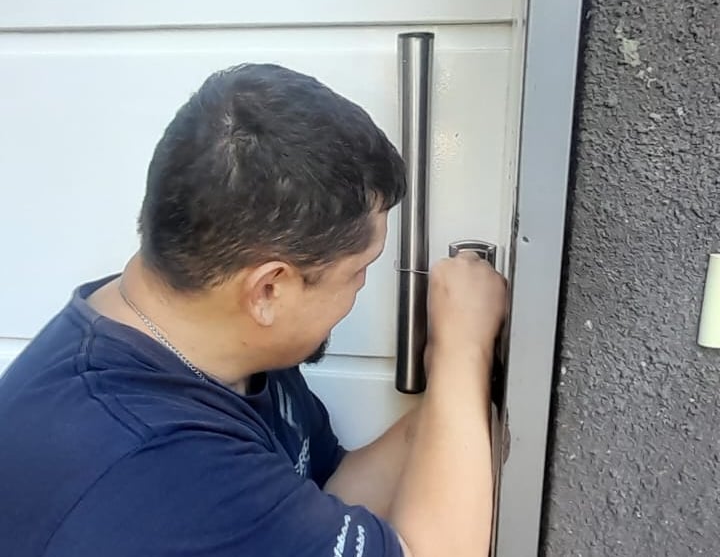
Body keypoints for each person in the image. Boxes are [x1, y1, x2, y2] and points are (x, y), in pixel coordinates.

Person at [0, 63, 506, 557]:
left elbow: (328, 498)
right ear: (268, 290)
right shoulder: (157, 464)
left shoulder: (213, 336)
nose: (362, 285)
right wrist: (463, 350)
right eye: (359, 269)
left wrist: (448, 397)